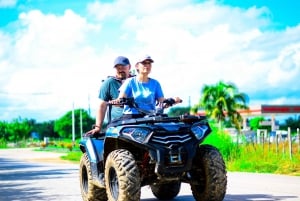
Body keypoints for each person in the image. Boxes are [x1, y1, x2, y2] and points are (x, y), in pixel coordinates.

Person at [111, 55, 182, 118]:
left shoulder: (155, 83)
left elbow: (162, 102)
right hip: (132, 118)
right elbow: (120, 100)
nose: (147, 65)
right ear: (137, 66)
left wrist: (172, 100)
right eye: (144, 63)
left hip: (150, 117)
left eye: (149, 63)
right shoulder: (130, 82)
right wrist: (116, 102)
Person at [86, 56, 131, 135]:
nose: (120, 70)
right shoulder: (109, 83)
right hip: (117, 125)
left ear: (129, 67)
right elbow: (102, 106)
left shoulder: (136, 81)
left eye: (123, 67)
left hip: (136, 122)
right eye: (118, 68)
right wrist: (98, 127)